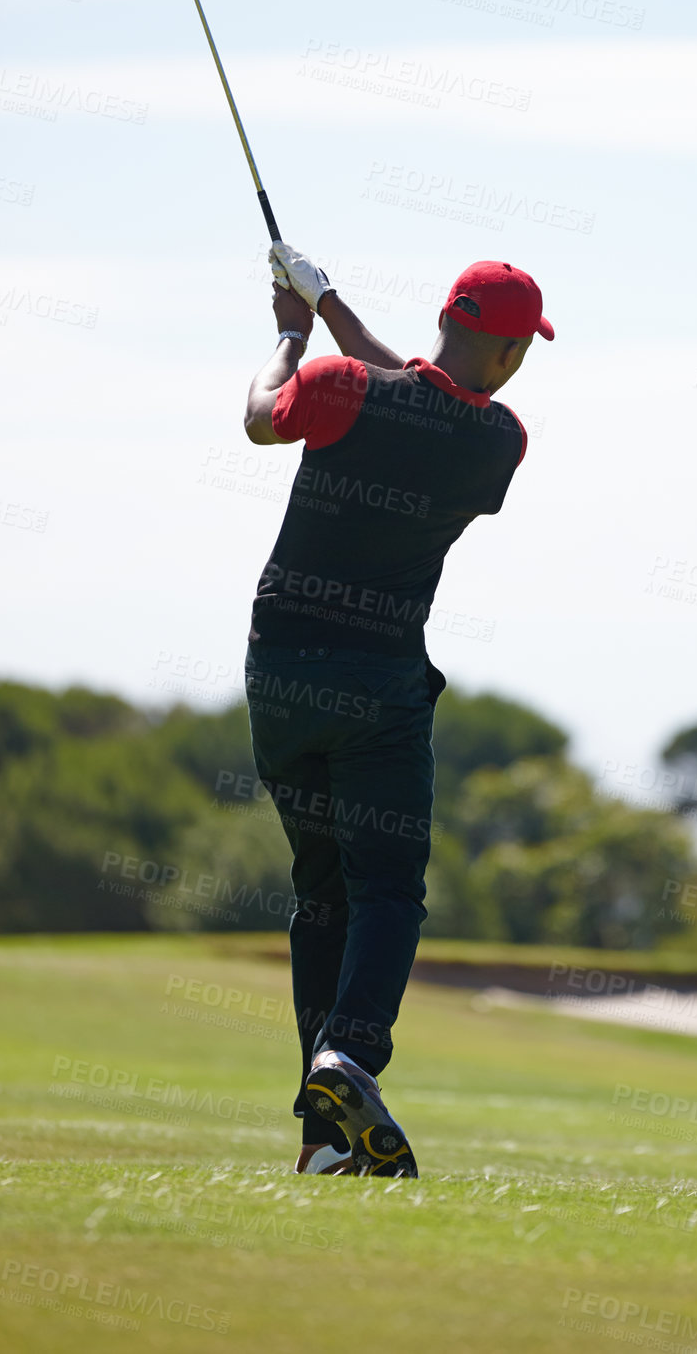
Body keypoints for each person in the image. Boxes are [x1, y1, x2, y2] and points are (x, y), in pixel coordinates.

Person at [243, 242, 552, 1176]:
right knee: (387, 891)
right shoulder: (501, 440)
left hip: (280, 676)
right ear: (506, 353)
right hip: (380, 688)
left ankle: (323, 1142)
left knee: (322, 896)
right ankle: (350, 1058)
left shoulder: (338, 389)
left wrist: (294, 336)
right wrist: (328, 301)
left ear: (448, 321)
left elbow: (265, 420)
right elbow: (419, 400)